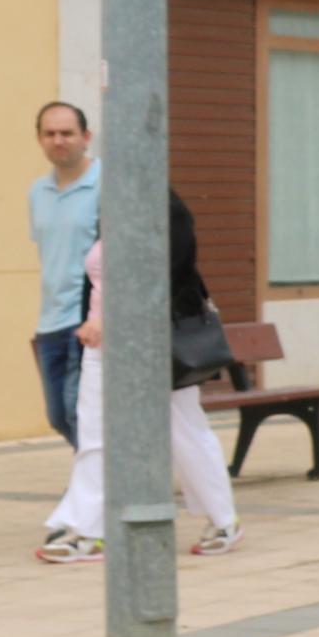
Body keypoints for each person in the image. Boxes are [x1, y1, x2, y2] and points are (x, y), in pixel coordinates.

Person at [38, 191, 240, 565]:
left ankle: (224, 520)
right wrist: (92, 322)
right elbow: (98, 279)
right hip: (102, 344)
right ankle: (87, 531)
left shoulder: (167, 208)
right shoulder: (113, 204)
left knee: (184, 433)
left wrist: (111, 320)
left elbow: (165, 279)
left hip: (153, 346)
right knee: (94, 436)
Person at [27, 100, 99, 444]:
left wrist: (100, 317)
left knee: (77, 411)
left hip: (87, 321)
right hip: (49, 324)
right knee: (58, 416)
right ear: (40, 140)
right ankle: (96, 483)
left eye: (67, 133)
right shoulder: (37, 193)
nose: (58, 140)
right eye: (50, 133)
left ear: (86, 137)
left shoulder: (106, 186)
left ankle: (94, 490)